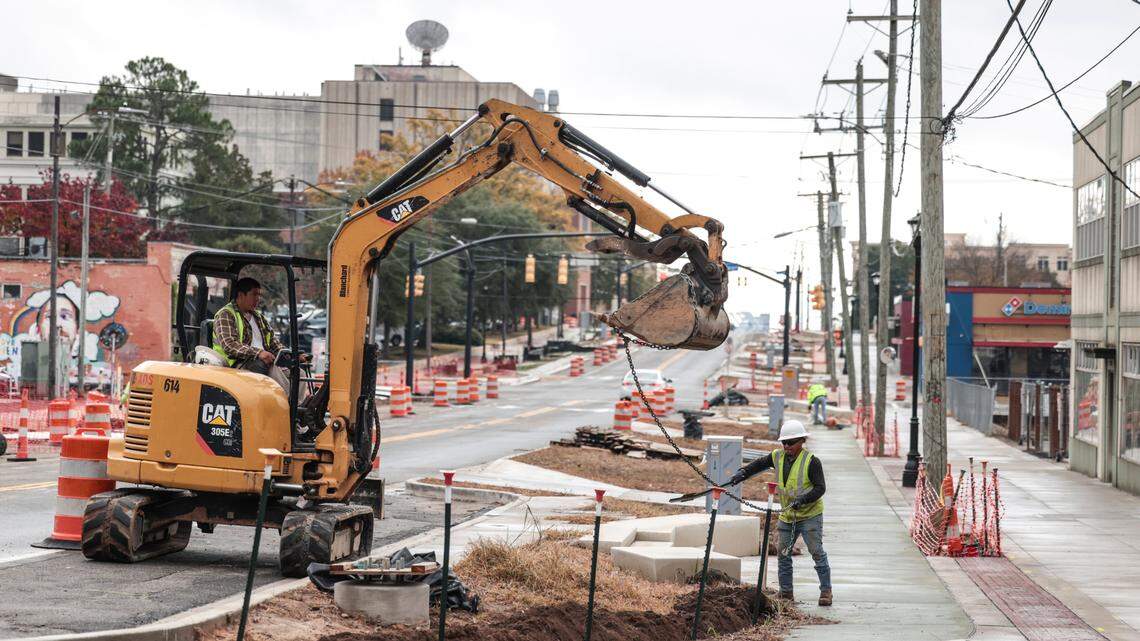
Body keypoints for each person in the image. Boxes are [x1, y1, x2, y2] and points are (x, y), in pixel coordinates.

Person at [728, 419, 831, 606]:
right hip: (788, 516)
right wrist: (742, 473)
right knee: (783, 555)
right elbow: (759, 464)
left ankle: (826, 592)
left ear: (801, 441)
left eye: (790, 442)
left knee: (817, 552)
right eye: (784, 442)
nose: (786, 446)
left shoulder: (812, 461)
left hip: (809, 515)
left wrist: (803, 499)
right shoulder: (778, 456)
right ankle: (786, 593)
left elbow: (820, 488)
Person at [213, 277, 306, 390]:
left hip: (262, 361)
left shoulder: (259, 318)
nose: (258, 299)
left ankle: (298, 405)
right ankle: (285, 404)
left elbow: (274, 344)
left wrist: (292, 356)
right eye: (254, 294)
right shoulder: (226, 314)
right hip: (237, 364)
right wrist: (259, 353)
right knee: (271, 368)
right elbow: (229, 345)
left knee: (298, 373)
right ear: (241, 295)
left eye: (259, 295)